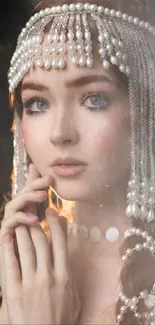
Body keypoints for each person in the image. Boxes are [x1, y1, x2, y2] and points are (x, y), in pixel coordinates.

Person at [1, 0, 155, 324]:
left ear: (145, 111)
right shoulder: (26, 269)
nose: (60, 134)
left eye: (94, 99)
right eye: (38, 103)